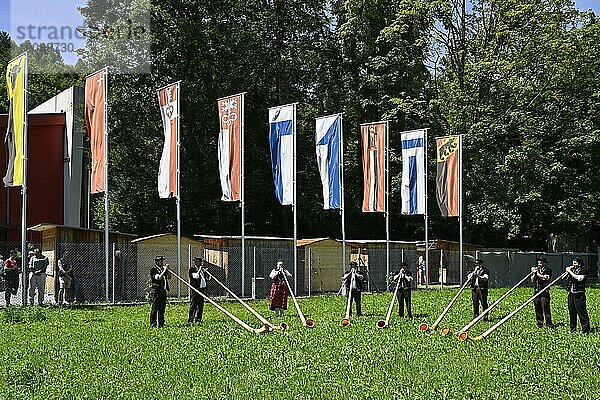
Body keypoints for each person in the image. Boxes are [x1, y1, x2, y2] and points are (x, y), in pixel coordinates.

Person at [565, 257, 590, 334]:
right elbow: (564, 278)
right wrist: (567, 272)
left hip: (579, 294)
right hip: (571, 294)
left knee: (581, 312)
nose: (573, 264)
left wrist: (570, 271)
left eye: (575, 263)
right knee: (572, 312)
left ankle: (586, 330)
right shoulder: (572, 270)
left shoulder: (584, 271)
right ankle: (573, 329)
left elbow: (578, 278)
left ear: (579, 263)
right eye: (573, 263)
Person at [531, 257, 553, 328]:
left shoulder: (548, 270)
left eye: (541, 262)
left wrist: (536, 273)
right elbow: (532, 280)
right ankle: (540, 323)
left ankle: (549, 323)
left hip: (544, 291)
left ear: (544, 263)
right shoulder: (537, 270)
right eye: (538, 262)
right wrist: (534, 274)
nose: (539, 263)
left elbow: (544, 278)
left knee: (545, 307)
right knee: (537, 307)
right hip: (536, 291)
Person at [188, 257, 211, 324]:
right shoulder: (192, 269)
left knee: (201, 305)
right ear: (195, 262)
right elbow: (196, 276)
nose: (200, 263)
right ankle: (191, 319)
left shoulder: (202, 270)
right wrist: (199, 270)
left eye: (201, 262)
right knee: (194, 304)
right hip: (196, 289)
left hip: (202, 289)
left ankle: (199, 319)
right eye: (198, 262)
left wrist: (205, 273)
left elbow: (205, 279)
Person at [150, 255, 170, 328]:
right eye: (160, 261)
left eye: (162, 261)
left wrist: (168, 269)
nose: (161, 262)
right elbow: (158, 278)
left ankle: (161, 323)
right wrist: (164, 271)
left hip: (163, 291)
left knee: (162, 308)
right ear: (156, 262)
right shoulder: (153, 270)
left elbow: (169, 277)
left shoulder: (163, 269)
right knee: (155, 308)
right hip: (156, 291)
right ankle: (153, 324)